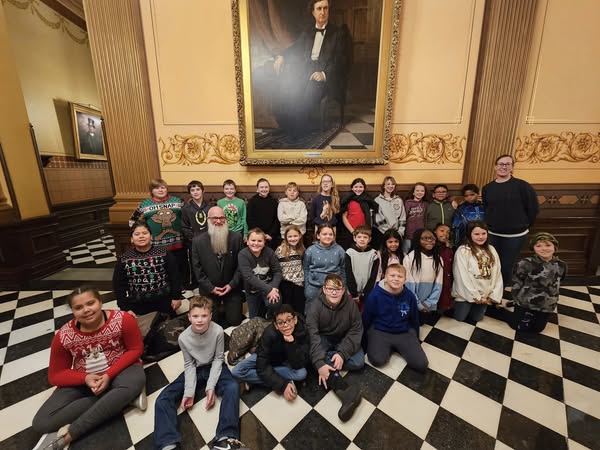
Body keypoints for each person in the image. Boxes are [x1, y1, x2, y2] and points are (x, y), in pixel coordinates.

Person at [32, 287, 145, 450]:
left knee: (134, 381)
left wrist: (108, 375)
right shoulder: (63, 336)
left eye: (90, 303)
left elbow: (135, 349)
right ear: (72, 311)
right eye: (78, 307)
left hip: (122, 369)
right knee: (41, 422)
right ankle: (120, 398)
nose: (86, 310)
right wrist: (84, 378)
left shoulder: (123, 319)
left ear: (100, 302)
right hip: (85, 379)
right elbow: (55, 375)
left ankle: (68, 435)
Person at [154, 296, 247, 450]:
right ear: (189, 317)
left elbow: (218, 359)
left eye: (204, 316)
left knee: (233, 387)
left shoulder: (217, 331)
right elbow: (189, 364)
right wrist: (189, 392)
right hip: (195, 369)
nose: (199, 320)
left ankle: (225, 438)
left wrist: (210, 387)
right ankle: (168, 444)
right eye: (195, 316)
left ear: (210, 316)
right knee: (163, 398)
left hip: (215, 365)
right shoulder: (183, 338)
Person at [271, 0, 351, 137]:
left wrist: (324, 74)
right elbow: (295, 47)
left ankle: (298, 131)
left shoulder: (338, 33)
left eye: (325, 8)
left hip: (326, 72)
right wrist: (282, 56)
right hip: (307, 69)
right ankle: (286, 125)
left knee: (309, 92)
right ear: (313, 12)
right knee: (287, 86)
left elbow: (342, 61)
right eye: (319, 9)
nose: (323, 12)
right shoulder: (308, 31)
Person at [306, 274, 363, 422]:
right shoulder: (315, 306)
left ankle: (330, 360)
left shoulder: (351, 305)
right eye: (330, 288)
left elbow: (356, 330)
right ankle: (346, 392)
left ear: (343, 290)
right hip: (323, 338)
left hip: (342, 338)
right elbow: (313, 335)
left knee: (359, 362)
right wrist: (319, 363)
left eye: (337, 288)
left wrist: (342, 353)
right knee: (313, 356)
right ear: (324, 289)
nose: (334, 292)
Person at [232, 304, 309, 401]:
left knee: (302, 373)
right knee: (236, 371)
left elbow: (300, 362)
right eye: (281, 323)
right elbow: (262, 365)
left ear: (295, 320)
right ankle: (284, 380)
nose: (286, 325)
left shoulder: (302, 330)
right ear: (276, 325)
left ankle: (253, 381)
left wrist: (291, 344)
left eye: (289, 320)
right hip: (269, 357)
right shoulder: (269, 334)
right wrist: (283, 385)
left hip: (287, 360)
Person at [482, 154, 539, 285]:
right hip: (493, 234)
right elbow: (487, 209)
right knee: (491, 265)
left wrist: (523, 225)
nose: (504, 167)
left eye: (507, 164)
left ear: (512, 167)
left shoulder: (522, 186)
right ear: (495, 167)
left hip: (515, 236)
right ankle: (490, 292)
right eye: (501, 164)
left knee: (507, 267)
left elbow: (533, 208)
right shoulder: (488, 188)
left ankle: (500, 294)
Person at [362, 264, 428, 372]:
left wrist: (415, 337)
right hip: (381, 330)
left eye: (400, 276)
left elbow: (414, 318)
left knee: (421, 364)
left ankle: (394, 346)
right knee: (377, 360)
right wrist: (365, 340)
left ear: (405, 279)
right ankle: (387, 346)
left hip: (403, 331)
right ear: (385, 277)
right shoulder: (375, 295)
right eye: (392, 275)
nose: (396, 279)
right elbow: (366, 318)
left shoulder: (409, 296)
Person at [113, 221, 183, 317]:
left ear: (151, 236)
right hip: (137, 306)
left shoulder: (164, 253)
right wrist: (125, 308)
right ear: (132, 239)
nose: (141, 236)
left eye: (145, 233)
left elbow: (175, 276)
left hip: (165, 302)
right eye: (137, 234)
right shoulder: (124, 259)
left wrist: (176, 297)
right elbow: (118, 286)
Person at [191, 206, 244, 327]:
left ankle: (226, 306)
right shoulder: (197, 241)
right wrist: (211, 288)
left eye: (222, 218)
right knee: (210, 322)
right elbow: (197, 269)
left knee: (235, 321)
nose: (219, 221)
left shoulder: (236, 238)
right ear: (208, 219)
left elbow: (241, 266)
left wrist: (231, 285)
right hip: (209, 289)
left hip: (231, 288)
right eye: (215, 218)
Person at [503, 233, 567, 332]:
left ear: (555, 247)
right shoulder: (525, 263)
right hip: (525, 301)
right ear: (533, 248)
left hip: (547, 303)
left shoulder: (562, 265)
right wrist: (517, 299)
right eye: (538, 246)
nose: (544, 249)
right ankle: (506, 308)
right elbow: (517, 282)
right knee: (516, 326)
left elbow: (560, 281)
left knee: (538, 329)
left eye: (548, 245)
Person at [128, 179, 186, 286]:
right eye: (157, 188)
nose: (160, 190)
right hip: (156, 245)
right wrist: (139, 234)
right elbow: (132, 221)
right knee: (161, 268)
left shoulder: (177, 201)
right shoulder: (145, 204)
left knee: (178, 267)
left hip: (177, 243)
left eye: (163, 187)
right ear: (152, 190)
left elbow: (187, 217)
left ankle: (179, 286)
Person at [452, 221, 503, 323]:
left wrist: (491, 295)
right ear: (469, 234)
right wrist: (476, 296)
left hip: (485, 294)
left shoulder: (491, 249)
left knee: (477, 319)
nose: (480, 237)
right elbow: (462, 276)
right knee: (460, 318)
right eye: (476, 234)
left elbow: (497, 273)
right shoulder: (463, 251)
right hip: (466, 293)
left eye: (483, 233)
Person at [238, 228, 282, 318]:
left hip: (270, 286)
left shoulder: (269, 252)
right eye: (253, 240)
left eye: (259, 241)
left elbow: (277, 271)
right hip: (252, 290)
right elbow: (249, 277)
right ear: (247, 241)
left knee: (275, 304)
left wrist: (273, 288)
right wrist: (269, 289)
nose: (256, 243)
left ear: (264, 242)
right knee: (254, 319)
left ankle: (270, 316)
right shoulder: (243, 254)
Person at [403, 228, 443, 325]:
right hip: (413, 300)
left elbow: (438, 284)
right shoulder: (409, 258)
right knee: (409, 323)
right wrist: (418, 304)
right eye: (425, 238)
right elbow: (409, 285)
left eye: (432, 238)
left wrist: (429, 302)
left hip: (428, 303)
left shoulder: (438, 259)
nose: (429, 241)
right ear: (417, 240)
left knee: (421, 323)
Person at [303, 224, 346, 304]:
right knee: (313, 313)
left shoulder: (340, 250)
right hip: (314, 287)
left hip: (334, 288)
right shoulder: (310, 251)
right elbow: (306, 269)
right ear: (318, 236)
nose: (328, 236)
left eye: (330, 234)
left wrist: (344, 287)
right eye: (324, 234)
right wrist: (307, 287)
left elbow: (343, 269)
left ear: (333, 237)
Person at [181, 180, 211, 290]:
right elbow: (184, 227)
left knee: (208, 262)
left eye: (198, 189)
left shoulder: (210, 207)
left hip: (209, 241)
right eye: (192, 190)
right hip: (193, 242)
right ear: (190, 193)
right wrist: (194, 239)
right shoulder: (186, 209)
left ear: (203, 191)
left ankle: (208, 284)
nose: (195, 192)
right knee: (195, 264)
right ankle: (196, 286)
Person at [345, 225, 379, 311]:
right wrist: (354, 294)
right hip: (351, 293)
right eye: (359, 237)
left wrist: (365, 294)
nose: (362, 239)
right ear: (354, 238)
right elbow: (348, 274)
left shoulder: (374, 255)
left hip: (367, 293)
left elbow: (373, 277)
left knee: (365, 316)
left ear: (369, 239)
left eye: (365, 237)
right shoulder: (349, 253)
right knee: (352, 316)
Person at [275, 225, 307, 315]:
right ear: (286, 237)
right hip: (286, 282)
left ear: (300, 236)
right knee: (287, 306)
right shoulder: (280, 250)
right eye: (290, 236)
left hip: (299, 283)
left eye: (295, 236)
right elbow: (275, 267)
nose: (293, 239)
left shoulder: (302, 249)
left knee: (299, 307)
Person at [340, 177, 378, 248]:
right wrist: (352, 231)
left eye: (361, 187)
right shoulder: (348, 200)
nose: (358, 189)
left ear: (364, 188)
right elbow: (344, 217)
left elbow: (371, 216)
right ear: (352, 188)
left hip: (365, 232)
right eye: (356, 187)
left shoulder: (368, 200)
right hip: (351, 231)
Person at [373, 176, 406, 250]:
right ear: (384, 186)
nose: (390, 186)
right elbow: (378, 219)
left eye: (392, 184)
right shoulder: (377, 200)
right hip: (383, 233)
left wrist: (400, 232)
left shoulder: (398, 200)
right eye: (388, 184)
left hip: (397, 234)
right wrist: (388, 233)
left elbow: (402, 218)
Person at [247, 178, 280, 249]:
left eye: (266, 187)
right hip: (256, 235)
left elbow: (276, 219)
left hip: (270, 236)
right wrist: (260, 234)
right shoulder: (252, 202)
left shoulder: (274, 202)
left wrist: (271, 234)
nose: (264, 189)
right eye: (261, 187)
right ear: (257, 189)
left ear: (269, 188)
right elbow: (250, 219)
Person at [451, 183, 485, 248]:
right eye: (466, 196)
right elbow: (456, 227)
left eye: (472, 194)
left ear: (477, 194)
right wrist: (456, 243)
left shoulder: (484, 207)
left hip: (482, 238)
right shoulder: (461, 208)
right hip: (465, 240)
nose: (469, 197)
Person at [434, 223, 454, 314]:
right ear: (435, 232)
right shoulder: (432, 248)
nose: (445, 234)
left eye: (448, 232)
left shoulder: (449, 249)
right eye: (442, 231)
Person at [403, 182, 428, 254]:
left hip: (421, 235)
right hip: (408, 235)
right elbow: (404, 218)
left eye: (422, 191)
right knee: (406, 254)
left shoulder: (426, 204)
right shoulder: (408, 203)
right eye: (417, 190)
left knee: (419, 254)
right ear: (413, 192)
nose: (420, 192)